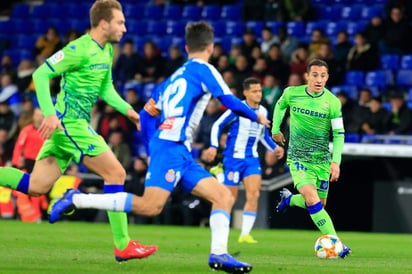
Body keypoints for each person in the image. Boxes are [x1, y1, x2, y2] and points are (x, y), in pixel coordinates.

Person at [50, 21, 272, 273]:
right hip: (170, 148)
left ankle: (219, 254)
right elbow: (230, 100)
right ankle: (78, 199)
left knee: (221, 196)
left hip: (175, 149)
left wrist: (150, 146)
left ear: (187, 47)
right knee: (151, 206)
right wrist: (258, 117)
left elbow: (146, 114)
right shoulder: (205, 70)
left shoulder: (174, 77)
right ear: (210, 47)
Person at [0, 0, 157, 262]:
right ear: (104, 23)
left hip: (71, 128)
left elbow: (105, 89)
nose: (125, 28)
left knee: (36, 186)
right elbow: (40, 75)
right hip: (70, 124)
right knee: (116, 172)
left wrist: (129, 110)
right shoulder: (78, 49)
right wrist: (49, 113)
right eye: (120, 22)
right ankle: (122, 244)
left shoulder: (106, 50)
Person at [271, 59, 351, 258]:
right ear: (307, 76)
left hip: (322, 160)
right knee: (311, 197)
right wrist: (275, 129)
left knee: (319, 204)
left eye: (323, 76)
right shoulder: (292, 93)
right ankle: (336, 242)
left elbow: (339, 134)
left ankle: (289, 200)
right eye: (315, 75)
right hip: (298, 158)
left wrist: (336, 161)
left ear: (327, 78)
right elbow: (280, 106)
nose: (318, 79)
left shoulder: (332, 102)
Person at [204, 77, 284, 244]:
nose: (258, 94)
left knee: (254, 194)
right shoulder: (236, 109)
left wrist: (274, 148)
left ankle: (245, 234)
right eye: (254, 91)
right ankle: (219, 175)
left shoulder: (263, 111)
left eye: (260, 91)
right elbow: (217, 125)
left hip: (252, 159)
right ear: (245, 93)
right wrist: (213, 146)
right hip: (233, 158)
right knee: (229, 198)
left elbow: (263, 136)